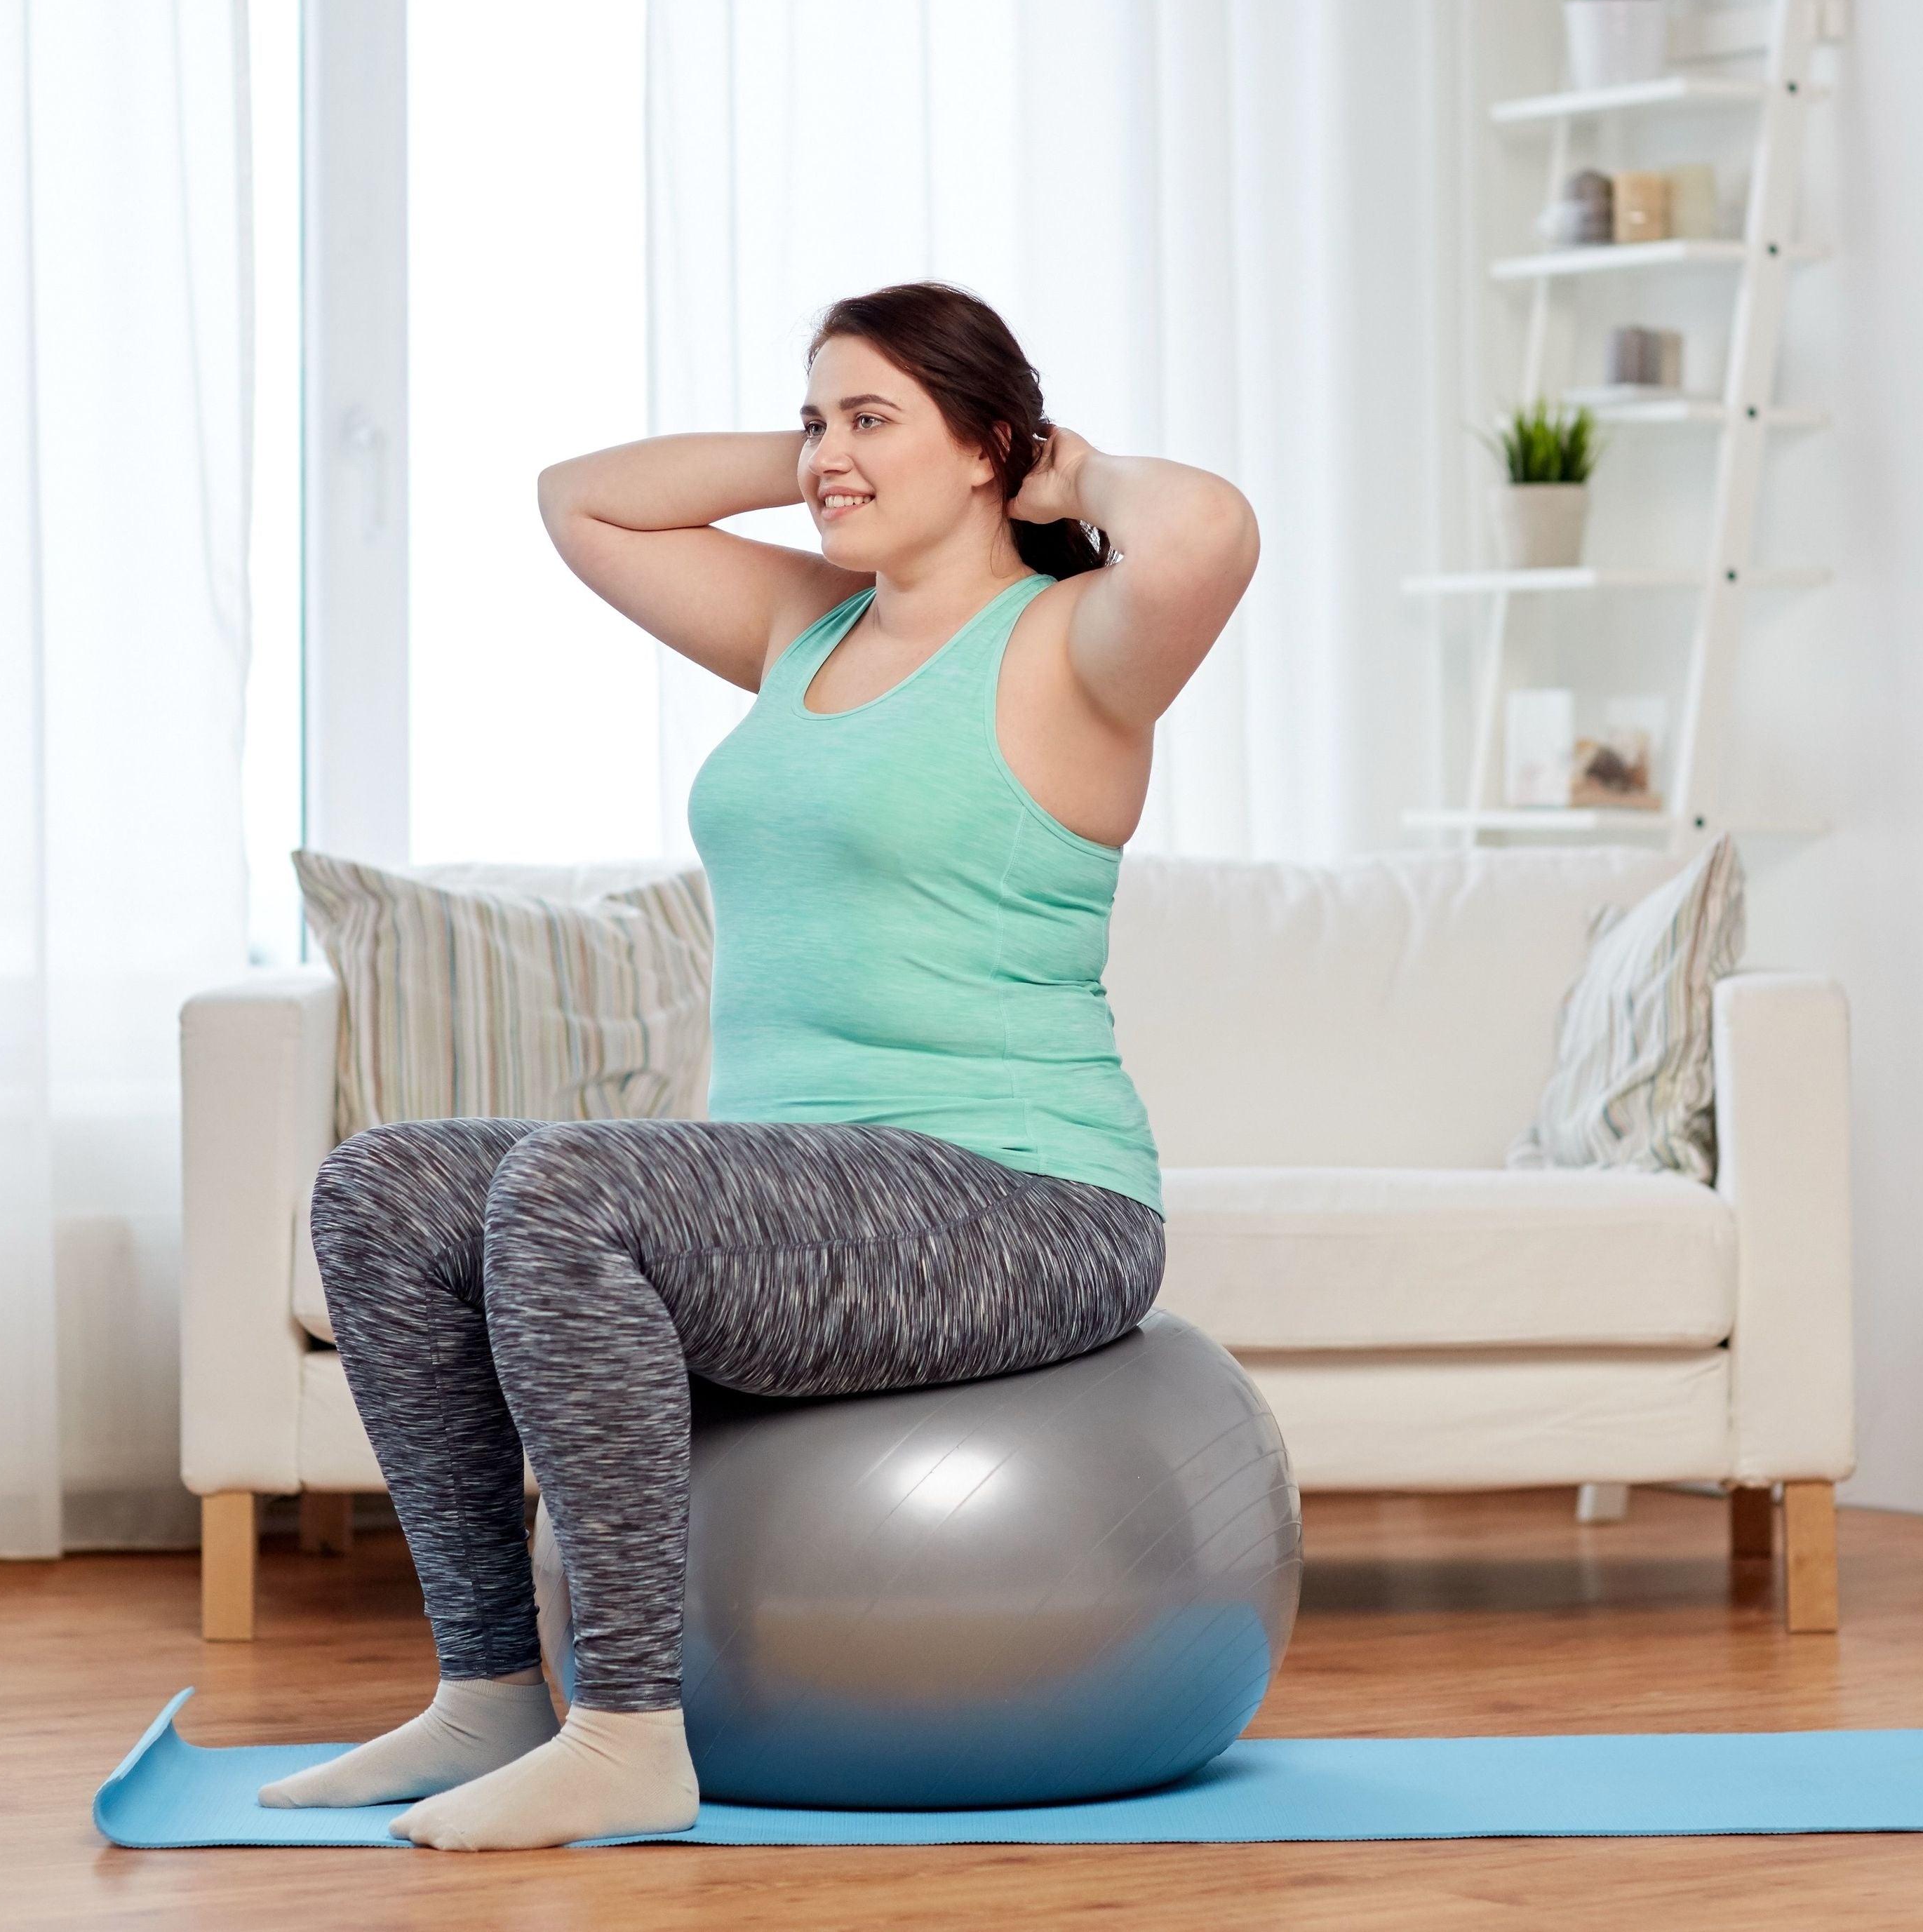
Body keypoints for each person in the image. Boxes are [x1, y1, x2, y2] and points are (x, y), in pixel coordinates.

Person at [257, 281, 1258, 1849]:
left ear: (990, 449)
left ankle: (627, 1733)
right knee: (382, 1187)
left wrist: (1064, 468)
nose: (828, 452)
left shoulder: (1072, 647)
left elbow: (1207, 531)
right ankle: (489, 1691)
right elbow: (581, 502)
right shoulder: (808, 627)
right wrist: (824, 460)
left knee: (569, 1190)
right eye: (815, 417)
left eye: (873, 419)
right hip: (801, 1183)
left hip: (1023, 1193)